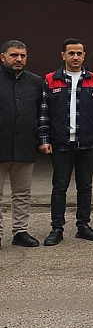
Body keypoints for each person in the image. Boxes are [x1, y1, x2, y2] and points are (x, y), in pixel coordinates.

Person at [38, 38, 93, 246]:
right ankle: (57, 228)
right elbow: (44, 113)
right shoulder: (51, 80)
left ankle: (83, 226)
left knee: (85, 187)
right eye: (71, 53)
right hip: (60, 143)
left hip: (87, 143)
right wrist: (44, 139)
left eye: (79, 53)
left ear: (84, 55)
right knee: (59, 187)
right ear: (63, 55)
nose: (76, 57)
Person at [0, 40, 42, 248]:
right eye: (14, 55)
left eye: (22, 56)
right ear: (2, 57)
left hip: (25, 146)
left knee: (22, 194)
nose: (19, 59)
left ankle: (20, 232)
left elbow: (42, 115)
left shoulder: (35, 82)